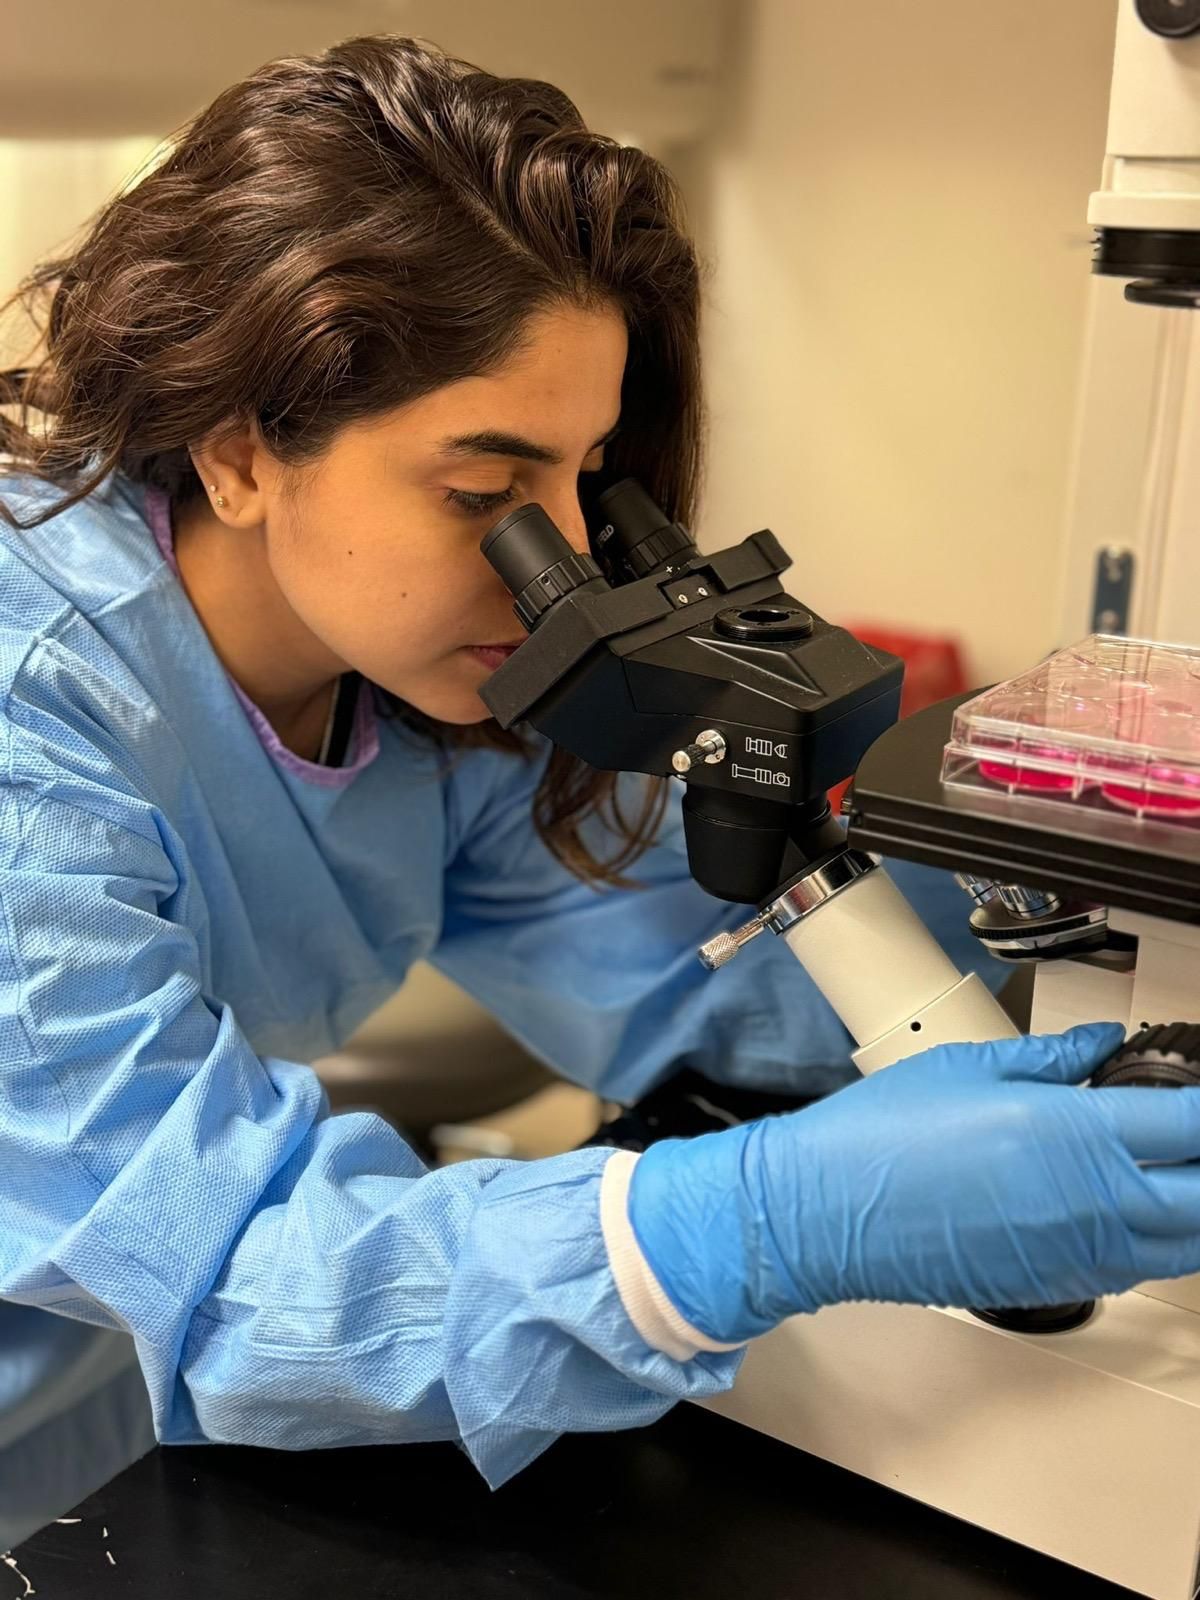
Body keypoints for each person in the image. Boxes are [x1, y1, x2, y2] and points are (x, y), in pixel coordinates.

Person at [3, 35, 1200, 1545]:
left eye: (584, 477)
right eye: (482, 496)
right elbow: (240, 1281)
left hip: (118, 1433)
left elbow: (679, 973)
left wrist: (1067, 973)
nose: (557, 562)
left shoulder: (402, 667)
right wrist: (761, 1220)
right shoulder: (28, 732)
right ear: (242, 450)